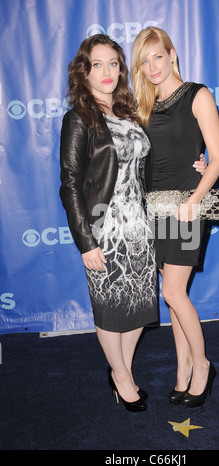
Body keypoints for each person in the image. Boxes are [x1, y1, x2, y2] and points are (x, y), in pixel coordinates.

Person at [59, 34, 160, 412]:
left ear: (121, 68)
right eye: (97, 64)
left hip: (140, 228)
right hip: (104, 230)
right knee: (110, 307)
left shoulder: (130, 113)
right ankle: (120, 377)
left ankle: (123, 369)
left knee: (139, 308)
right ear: (84, 73)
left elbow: (145, 169)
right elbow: (69, 184)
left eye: (113, 63)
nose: (107, 72)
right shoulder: (79, 119)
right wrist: (86, 242)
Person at [131, 27, 219, 407]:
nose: (152, 66)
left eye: (158, 56)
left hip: (187, 203)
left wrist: (195, 199)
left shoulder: (198, 94)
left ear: (172, 54)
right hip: (153, 207)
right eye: (144, 59)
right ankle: (182, 368)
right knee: (175, 296)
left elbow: (216, 158)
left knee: (171, 291)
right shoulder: (145, 103)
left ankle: (202, 366)